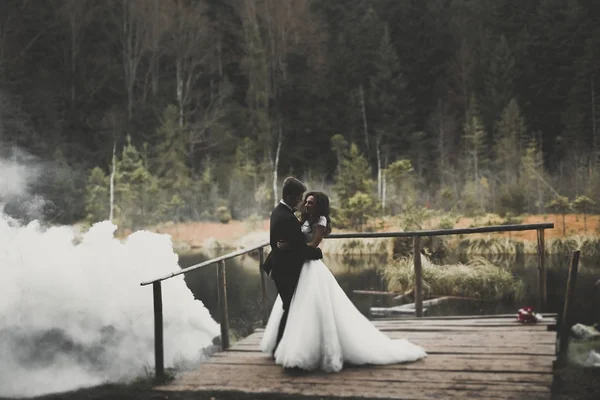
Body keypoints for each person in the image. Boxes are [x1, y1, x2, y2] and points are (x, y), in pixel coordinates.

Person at [260, 191, 427, 372]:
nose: (307, 205)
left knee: (312, 307)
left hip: (311, 268)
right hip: (298, 266)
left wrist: (291, 247)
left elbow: (313, 245)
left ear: (319, 206)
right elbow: (297, 238)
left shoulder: (321, 221)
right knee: (295, 306)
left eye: (311, 203)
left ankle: (313, 352)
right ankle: (288, 344)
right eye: (306, 202)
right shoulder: (304, 219)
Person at [263, 177, 324, 352]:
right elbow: (299, 248)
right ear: (290, 196)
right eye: (299, 197)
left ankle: (285, 346)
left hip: (282, 268)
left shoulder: (278, 212)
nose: (301, 201)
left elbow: (291, 243)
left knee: (290, 307)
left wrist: (289, 245)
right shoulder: (287, 217)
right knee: (290, 308)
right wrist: (318, 253)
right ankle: (279, 348)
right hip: (286, 271)